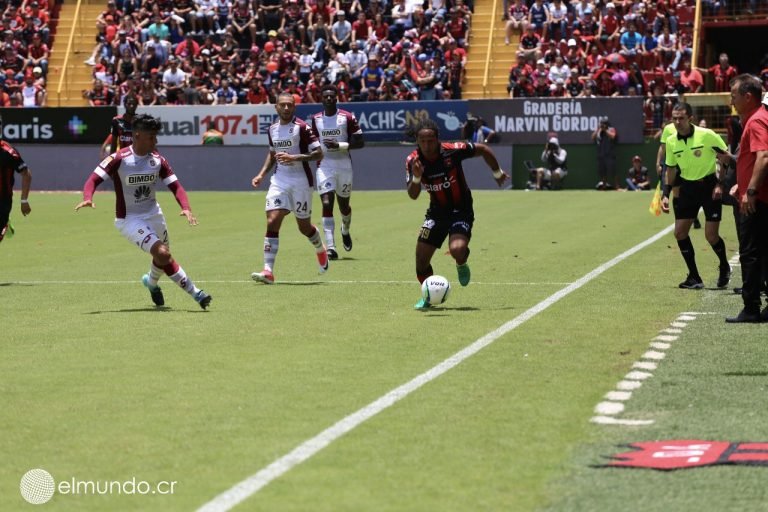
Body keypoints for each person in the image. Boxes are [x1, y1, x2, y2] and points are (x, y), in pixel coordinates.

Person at [74, 114, 212, 310]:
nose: (155, 142)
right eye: (151, 137)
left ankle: (151, 283)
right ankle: (197, 293)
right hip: (129, 219)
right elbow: (93, 179)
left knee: (162, 256)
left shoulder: (158, 160)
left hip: (154, 214)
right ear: (137, 135)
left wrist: (186, 208)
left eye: (156, 137)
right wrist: (88, 197)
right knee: (163, 254)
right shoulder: (119, 159)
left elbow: (177, 187)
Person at [405, 118, 510, 310]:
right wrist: (417, 176)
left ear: (437, 140)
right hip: (436, 213)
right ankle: (428, 296)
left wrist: (497, 173)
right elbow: (412, 195)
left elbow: (484, 149)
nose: (427, 145)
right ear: (418, 142)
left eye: (430, 141)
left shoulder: (452, 150)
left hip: (461, 209)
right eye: (423, 141)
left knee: (457, 250)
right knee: (421, 259)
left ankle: (461, 262)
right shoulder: (413, 160)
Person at [251, 92, 328, 284]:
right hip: (280, 179)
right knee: (273, 219)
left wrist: (295, 157)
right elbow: (272, 154)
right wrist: (261, 174)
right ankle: (268, 271)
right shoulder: (272, 129)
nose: (286, 108)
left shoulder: (302, 127)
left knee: (304, 227)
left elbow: (319, 154)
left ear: (294, 107)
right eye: (282, 105)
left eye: (290, 105)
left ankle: (320, 248)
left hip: (301, 181)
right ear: (276, 107)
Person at [661, 102, 733, 290]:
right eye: (674, 118)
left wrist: (720, 184)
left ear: (690, 118)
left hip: (709, 187)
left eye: (681, 118)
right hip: (687, 189)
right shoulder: (671, 141)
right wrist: (666, 194)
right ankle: (694, 277)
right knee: (680, 232)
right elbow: (670, 169)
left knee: (711, 235)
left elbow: (725, 156)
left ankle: (724, 266)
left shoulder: (707, 135)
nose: (677, 122)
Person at [725, 75, 768, 323]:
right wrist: (741, 186)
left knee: (750, 252)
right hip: (757, 195)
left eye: (734, 95)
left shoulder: (756, 121)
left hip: (756, 199)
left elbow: (763, 157)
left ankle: (751, 307)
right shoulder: (758, 117)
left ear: (748, 97)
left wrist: (750, 191)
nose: (732, 99)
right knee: (763, 252)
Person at [310, 84, 365, 260]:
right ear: (321, 99)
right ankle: (331, 247)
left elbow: (360, 142)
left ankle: (345, 229)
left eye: (331, 96)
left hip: (343, 166)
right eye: (325, 96)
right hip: (324, 165)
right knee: (326, 203)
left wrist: (340, 146)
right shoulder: (316, 119)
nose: (328, 99)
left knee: (344, 207)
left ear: (336, 98)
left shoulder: (347, 117)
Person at [0, 114, 31, 244]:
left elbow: (26, 174)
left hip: (2, 200)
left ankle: (4, 224)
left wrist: (24, 200)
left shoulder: (8, 152)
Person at [592, 116, 618, 190]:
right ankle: (604, 187)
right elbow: (592, 137)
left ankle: (617, 186)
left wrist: (605, 130)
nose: (602, 125)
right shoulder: (599, 131)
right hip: (601, 155)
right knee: (602, 172)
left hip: (610, 155)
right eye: (601, 123)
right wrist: (598, 129)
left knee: (613, 171)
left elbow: (613, 136)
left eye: (604, 124)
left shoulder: (611, 129)